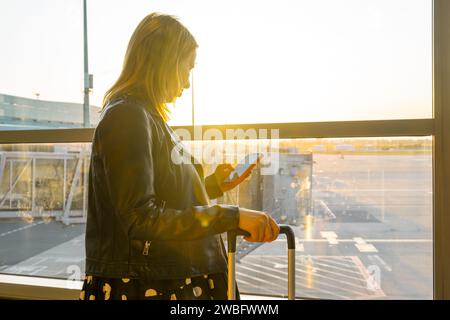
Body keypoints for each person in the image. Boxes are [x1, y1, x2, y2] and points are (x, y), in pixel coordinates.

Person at [80, 12, 279, 301]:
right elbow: (140, 218)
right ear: (164, 63)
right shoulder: (127, 116)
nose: (187, 83)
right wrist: (232, 216)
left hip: (158, 279)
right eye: (187, 68)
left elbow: (156, 196)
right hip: (148, 283)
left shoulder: (144, 116)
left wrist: (212, 186)